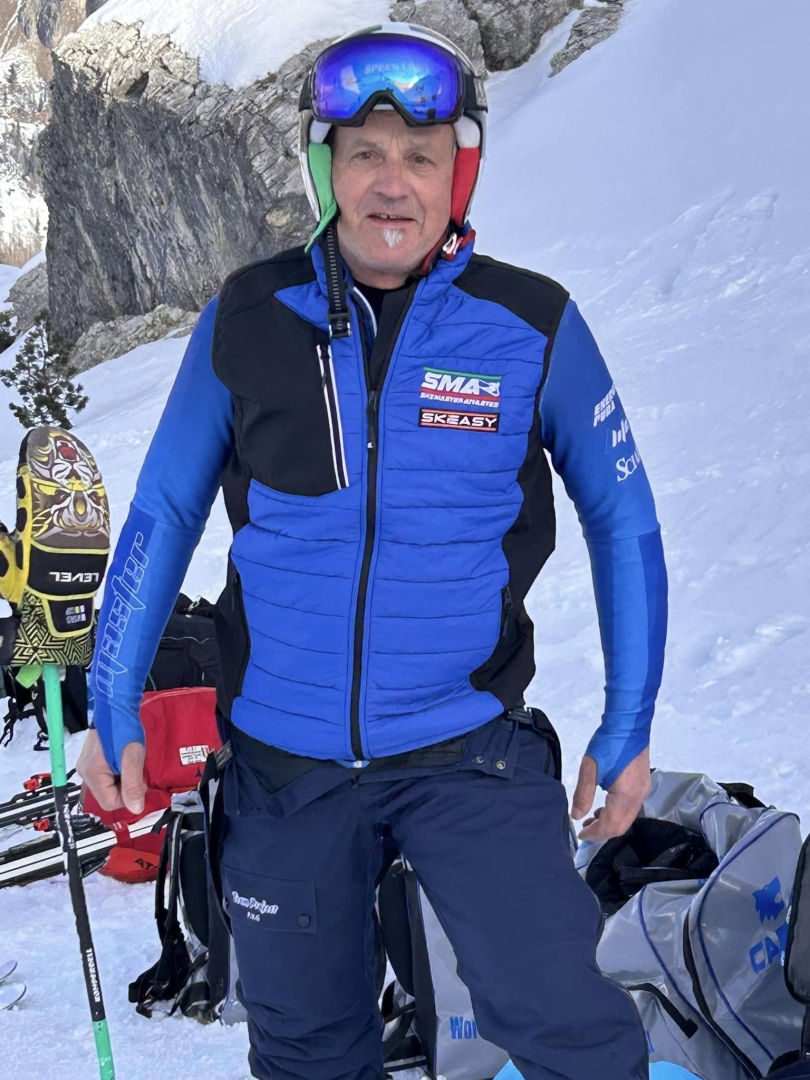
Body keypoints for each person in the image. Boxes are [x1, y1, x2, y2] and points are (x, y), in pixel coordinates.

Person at [78, 23, 667, 1080]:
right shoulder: (248, 319)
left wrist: (627, 727)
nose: (392, 184)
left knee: (569, 1031)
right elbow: (164, 509)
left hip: (467, 750)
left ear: (459, 172)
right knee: (307, 1054)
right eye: (364, 154)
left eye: (420, 156)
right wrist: (113, 700)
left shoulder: (531, 325)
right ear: (326, 169)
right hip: (284, 769)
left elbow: (623, 519)